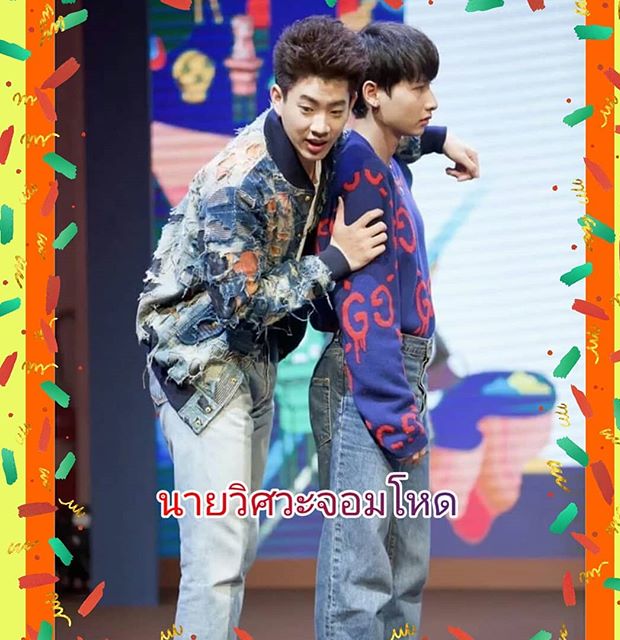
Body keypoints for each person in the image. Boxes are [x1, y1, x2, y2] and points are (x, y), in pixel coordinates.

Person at [136, 15, 476, 640]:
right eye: (308, 108)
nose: (321, 125)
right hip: (199, 366)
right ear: (277, 97)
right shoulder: (239, 183)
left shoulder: (330, 143)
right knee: (217, 559)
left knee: (236, 548)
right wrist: (335, 260)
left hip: (254, 359)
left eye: (336, 110)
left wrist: (439, 138)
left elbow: (374, 141)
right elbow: (241, 305)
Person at [309, 21, 477, 639]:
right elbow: (366, 303)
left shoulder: (380, 157)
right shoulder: (358, 165)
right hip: (368, 378)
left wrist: (440, 139)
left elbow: (401, 141)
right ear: (374, 94)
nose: (431, 100)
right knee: (359, 574)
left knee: (404, 568)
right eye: (419, 87)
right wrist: (395, 414)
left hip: (394, 375)